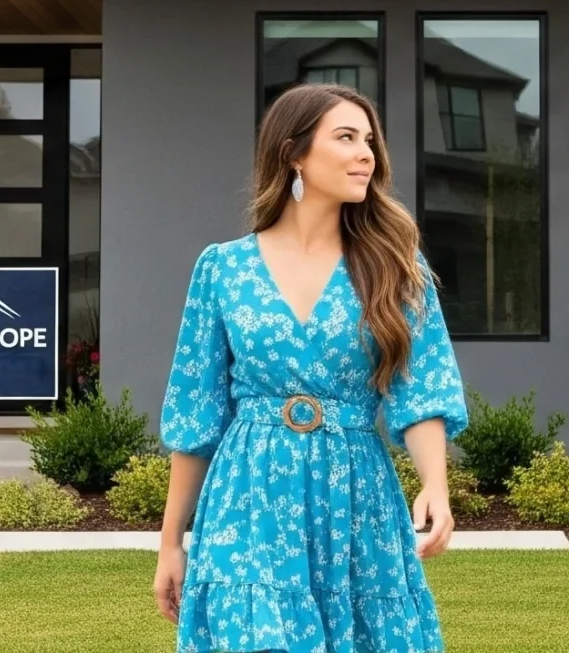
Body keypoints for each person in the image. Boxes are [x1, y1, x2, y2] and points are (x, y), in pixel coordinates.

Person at [153, 83, 470, 653]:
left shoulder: (396, 265)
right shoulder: (223, 269)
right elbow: (196, 413)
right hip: (248, 496)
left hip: (356, 496)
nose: (365, 154)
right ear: (294, 153)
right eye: (346, 137)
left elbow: (421, 387)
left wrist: (436, 486)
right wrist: (171, 541)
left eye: (369, 141)